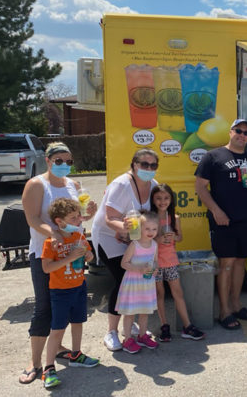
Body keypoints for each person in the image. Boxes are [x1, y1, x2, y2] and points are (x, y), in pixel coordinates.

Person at [19, 142, 96, 384]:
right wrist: (54, 234)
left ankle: (66, 350)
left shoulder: (74, 185)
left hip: (73, 253)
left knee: (70, 305)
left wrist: (89, 215)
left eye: (68, 161)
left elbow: (76, 218)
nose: (64, 165)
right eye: (59, 160)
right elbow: (32, 218)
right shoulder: (36, 185)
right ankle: (35, 362)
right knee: (45, 307)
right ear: (48, 159)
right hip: (47, 254)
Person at [195, 119, 247, 330]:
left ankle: (236, 304)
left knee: (241, 262)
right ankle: (224, 310)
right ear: (230, 132)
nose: (242, 135)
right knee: (226, 264)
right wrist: (216, 211)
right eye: (239, 131)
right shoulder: (213, 156)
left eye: (246, 132)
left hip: (246, 219)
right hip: (223, 220)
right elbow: (200, 187)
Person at [92, 148, 159, 351]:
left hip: (133, 240)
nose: (149, 169)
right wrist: (123, 230)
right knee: (123, 281)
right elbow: (109, 218)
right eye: (144, 164)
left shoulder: (153, 185)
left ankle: (129, 326)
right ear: (134, 164)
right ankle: (111, 332)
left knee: (138, 282)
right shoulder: (122, 184)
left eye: (153, 165)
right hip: (109, 238)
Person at [40, 198, 99, 389]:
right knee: (57, 329)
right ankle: (48, 368)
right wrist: (70, 258)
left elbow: (90, 256)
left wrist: (88, 256)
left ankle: (76, 354)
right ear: (60, 221)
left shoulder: (79, 237)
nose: (79, 220)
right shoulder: (51, 242)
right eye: (74, 218)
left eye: (79, 216)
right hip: (60, 292)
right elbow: (47, 268)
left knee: (78, 322)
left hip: (79, 287)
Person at [150, 184, 205, 341]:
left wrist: (174, 236)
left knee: (177, 292)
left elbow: (180, 237)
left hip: (171, 260)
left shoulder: (174, 218)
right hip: (154, 262)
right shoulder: (150, 217)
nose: (162, 201)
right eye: (158, 198)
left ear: (171, 199)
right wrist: (157, 239)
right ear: (153, 200)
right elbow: (144, 239)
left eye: (166, 198)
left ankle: (187, 326)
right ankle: (164, 325)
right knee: (159, 293)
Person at [116, 211, 160, 354]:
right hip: (133, 284)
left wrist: (155, 270)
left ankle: (142, 336)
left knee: (144, 312)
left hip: (146, 285)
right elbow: (124, 264)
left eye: (154, 229)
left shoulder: (154, 245)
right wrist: (139, 269)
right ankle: (127, 339)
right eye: (147, 228)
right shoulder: (135, 245)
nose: (151, 232)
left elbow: (155, 262)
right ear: (139, 228)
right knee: (130, 313)